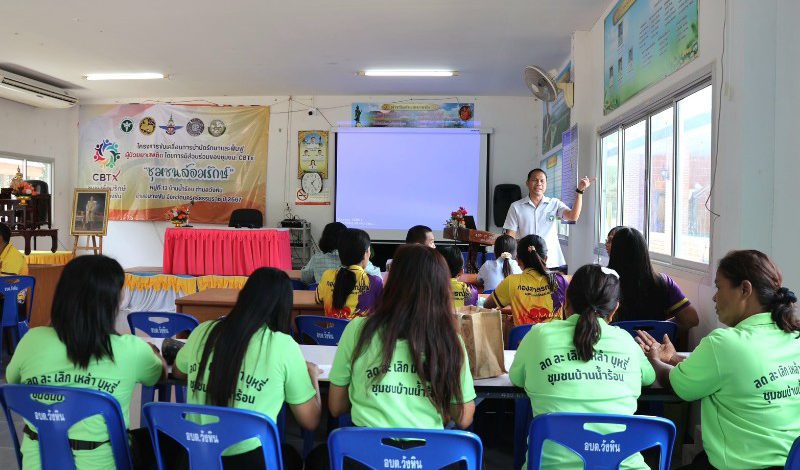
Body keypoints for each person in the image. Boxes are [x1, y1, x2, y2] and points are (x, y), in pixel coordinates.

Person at [307, 244, 476, 469]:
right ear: (440, 288)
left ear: (392, 281)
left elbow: (336, 407)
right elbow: (464, 417)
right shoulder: (450, 340)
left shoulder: (358, 330)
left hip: (364, 460)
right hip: (428, 460)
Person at [637, 250, 800, 470]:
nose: (714, 297)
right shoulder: (794, 336)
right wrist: (673, 357)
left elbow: (676, 384)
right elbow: (728, 372)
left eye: (718, 287)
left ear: (744, 289)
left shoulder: (725, 343)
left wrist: (655, 357)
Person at [6, 255, 166, 470]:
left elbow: (12, 381)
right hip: (104, 463)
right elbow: (158, 375)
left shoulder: (32, 340)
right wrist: (152, 351)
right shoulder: (132, 349)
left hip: (38, 462)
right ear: (113, 301)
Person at [173, 268, 320, 470]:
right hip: (249, 461)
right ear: (284, 307)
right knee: (291, 456)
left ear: (244, 296)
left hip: (196, 454)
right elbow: (310, 420)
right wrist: (312, 376)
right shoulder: (283, 346)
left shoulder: (203, 331)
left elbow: (179, 372)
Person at [510, 264, 654, 469]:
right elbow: (648, 378)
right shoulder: (627, 342)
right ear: (614, 310)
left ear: (566, 300)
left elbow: (517, 378)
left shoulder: (538, 336)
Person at [608, 227, 699, 332]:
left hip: (616, 346)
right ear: (644, 251)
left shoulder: (603, 283)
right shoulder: (664, 282)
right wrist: (658, 329)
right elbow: (691, 319)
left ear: (614, 251)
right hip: (653, 346)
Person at [503, 169, 593, 269]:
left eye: (542, 181)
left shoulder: (554, 203)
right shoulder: (516, 206)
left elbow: (573, 216)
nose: (539, 183)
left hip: (551, 262)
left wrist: (580, 192)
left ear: (546, 184)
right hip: (526, 262)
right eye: (535, 180)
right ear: (527, 183)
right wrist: (512, 260)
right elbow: (510, 237)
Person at [484, 235, 568, 326]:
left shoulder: (511, 282)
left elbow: (487, 305)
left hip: (523, 339)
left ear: (518, 260)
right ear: (546, 259)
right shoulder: (560, 280)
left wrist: (517, 311)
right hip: (556, 339)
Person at [315, 228, 383, 319]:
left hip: (332, 332)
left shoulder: (327, 275)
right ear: (365, 253)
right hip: (360, 333)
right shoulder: (375, 282)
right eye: (369, 250)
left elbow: (318, 300)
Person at [300, 222, 381, 285]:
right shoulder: (354, 257)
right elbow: (377, 277)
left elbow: (305, 278)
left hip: (323, 300)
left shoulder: (316, 258)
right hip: (351, 300)